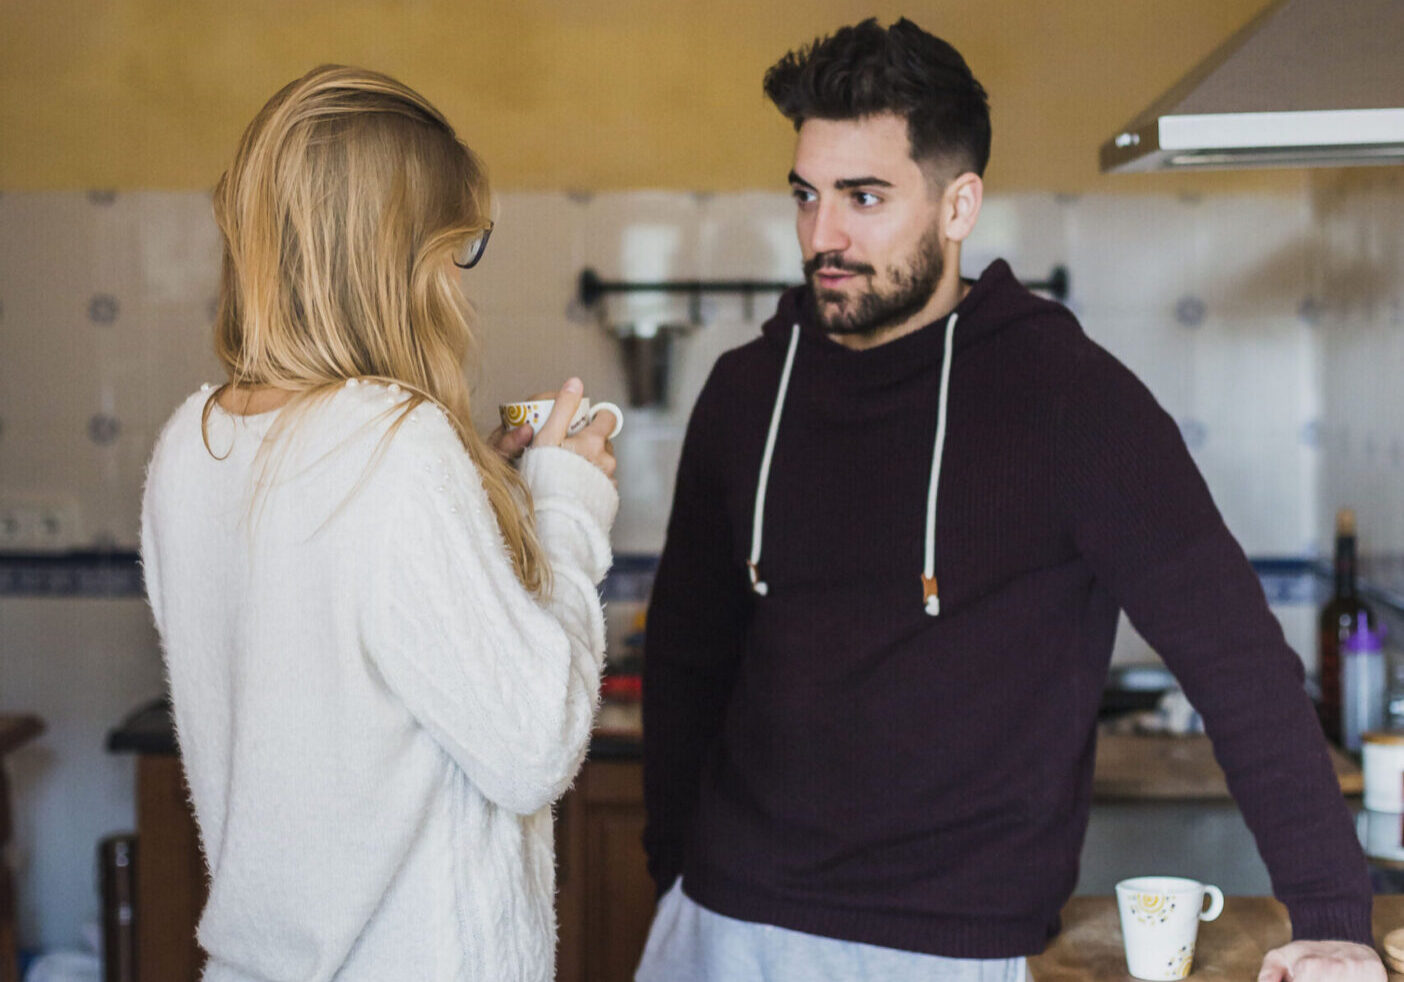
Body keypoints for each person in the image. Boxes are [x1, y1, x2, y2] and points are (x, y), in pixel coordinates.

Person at [637, 18, 1383, 982]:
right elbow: (687, 654)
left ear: (960, 206)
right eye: (806, 195)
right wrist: (674, 871)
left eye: (865, 197)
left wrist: (1333, 917)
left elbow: (1234, 655)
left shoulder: (1072, 400)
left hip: (951, 948)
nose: (824, 236)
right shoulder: (746, 392)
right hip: (722, 925)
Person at [140, 65, 618, 982]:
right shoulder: (394, 444)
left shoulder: (190, 445)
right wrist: (566, 509)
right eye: (456, 247)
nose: (458, 284)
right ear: (394, 254)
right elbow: (535, 745)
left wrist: (476, 499)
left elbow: (332, 650)